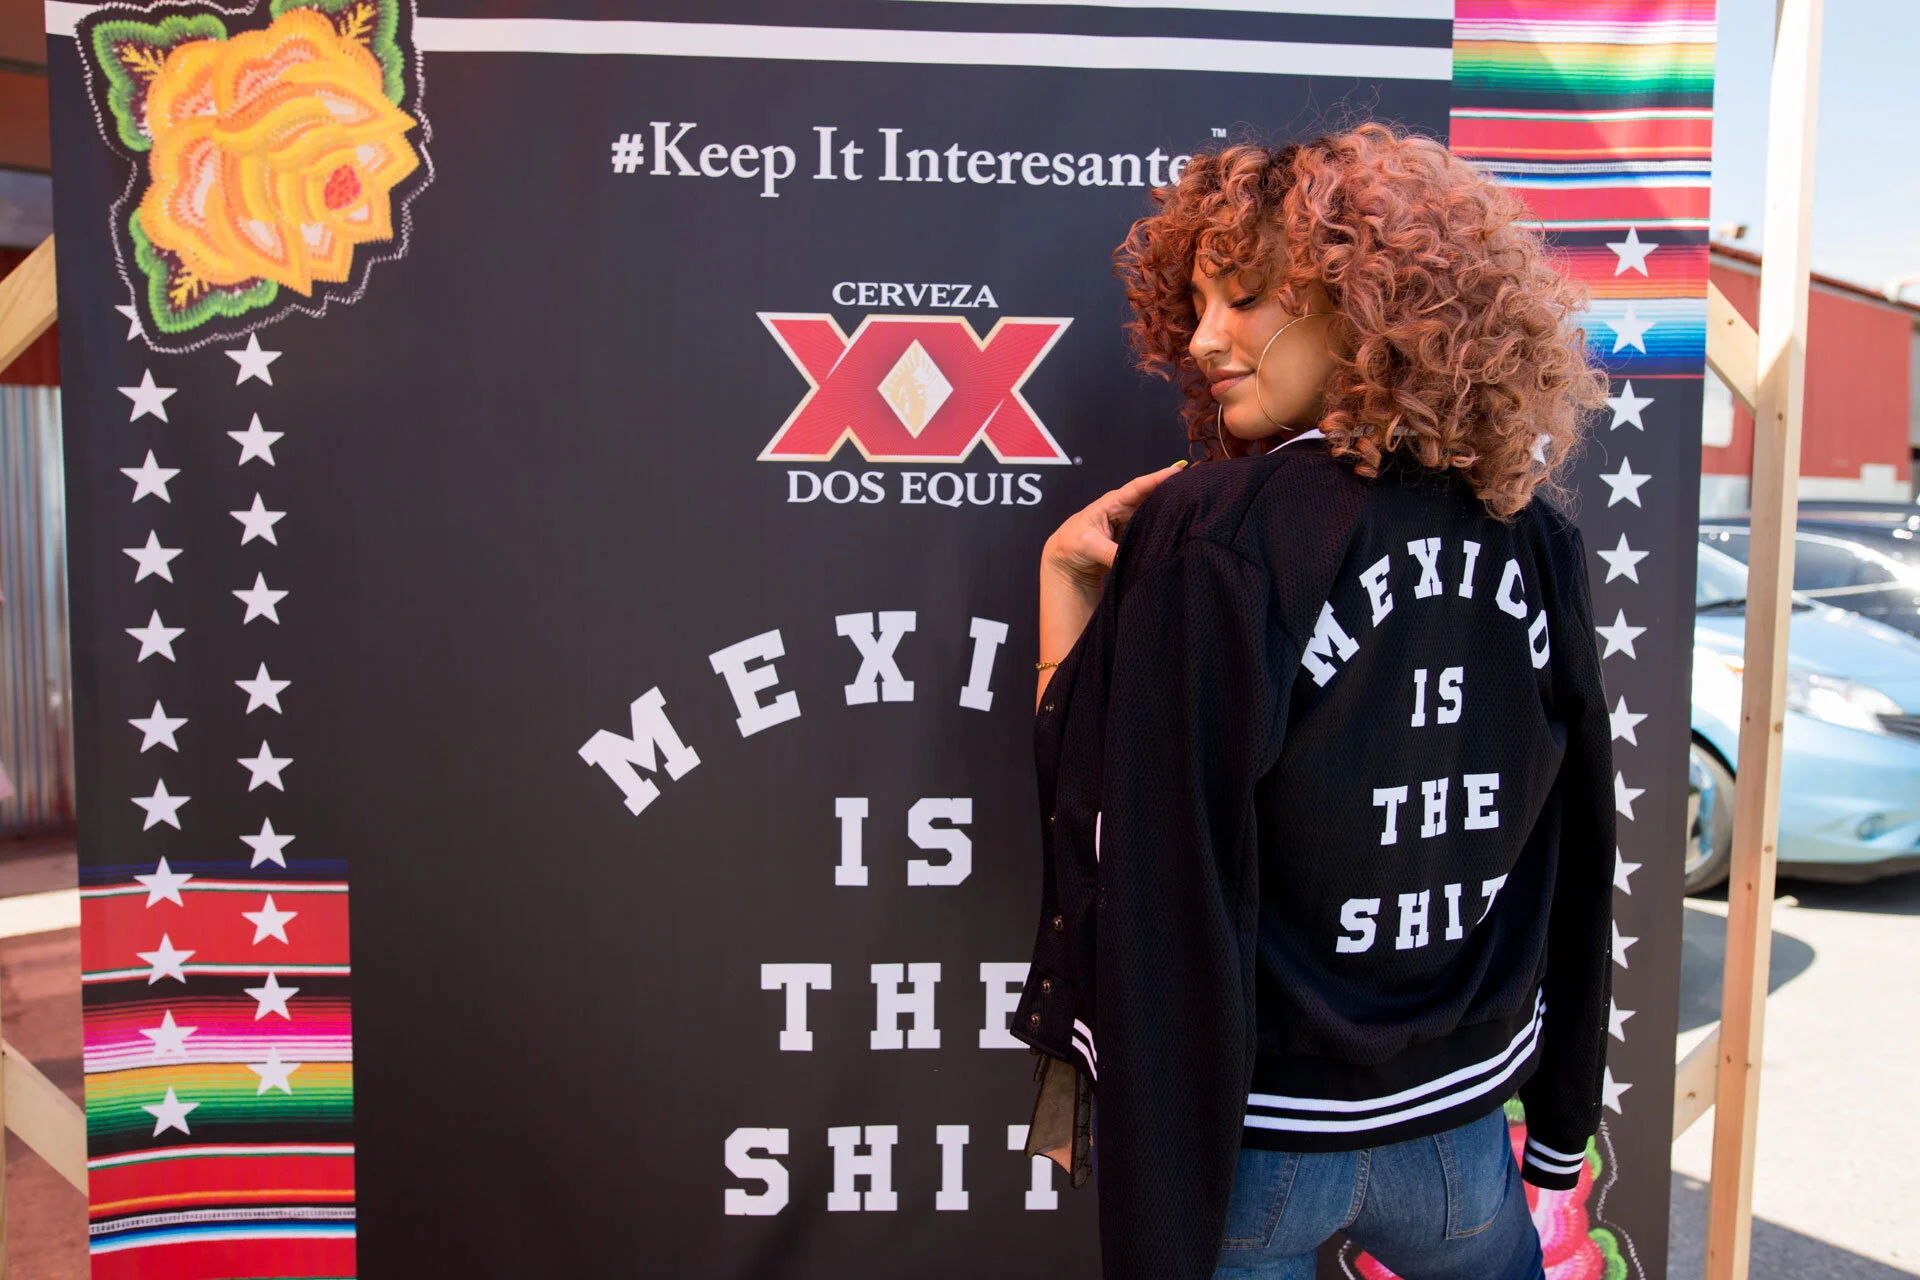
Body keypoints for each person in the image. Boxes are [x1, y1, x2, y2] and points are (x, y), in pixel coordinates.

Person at [1010, 124, 1616, 1280]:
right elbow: (1582, 845)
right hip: (1457, 1131)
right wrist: (1565, 1116)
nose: (1201, 341)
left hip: (1263, 1136)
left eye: (1243, 298)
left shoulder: (1219, 528)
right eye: (1193, 305)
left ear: (1365, 304)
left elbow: (1134, 845)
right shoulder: (1537, 539)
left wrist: (1063, 583)